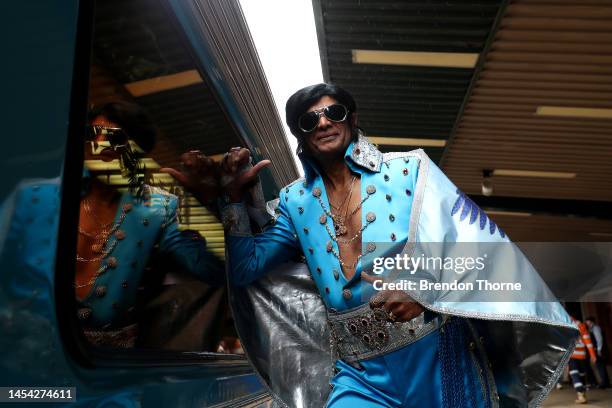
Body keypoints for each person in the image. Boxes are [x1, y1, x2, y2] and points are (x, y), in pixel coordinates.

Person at [168, 83, 579, 407]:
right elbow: (245, 269)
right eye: (310, 120)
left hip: (435, 354)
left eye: (334, 112)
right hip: (358, 370)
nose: (324, 122)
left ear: (352, 118)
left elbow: (477, 245)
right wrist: (235, 203)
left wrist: (423, 290)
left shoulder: (410, 169)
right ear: (300, 135)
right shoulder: (294, 201)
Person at [75, 101, 225, 347]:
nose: (99, 141)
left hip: (111, 365)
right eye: (92, 133)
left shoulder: (160, 207)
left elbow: (211, 269)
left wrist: (205, 204)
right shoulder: (42, 195)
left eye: (115, 136)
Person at [569, 315, 597, 404]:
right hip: (582, 355)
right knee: (581, 374)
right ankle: (582, 394)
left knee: (574, 373)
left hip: (572, 355)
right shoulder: (581, 325)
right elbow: (587, 341)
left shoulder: (562, 324)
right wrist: (593, 355)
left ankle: (581, 394)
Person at [585, 316, 610, 389]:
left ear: (591, 321)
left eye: (588, 321)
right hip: (597, 350)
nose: (587, 323)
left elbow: (599, 339)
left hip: (598, 350)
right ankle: (605, 382)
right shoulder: (591, 328)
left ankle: (604, 383)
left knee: (600, 366)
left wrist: (599, 350)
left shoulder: (595, 328)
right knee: (600, 366)